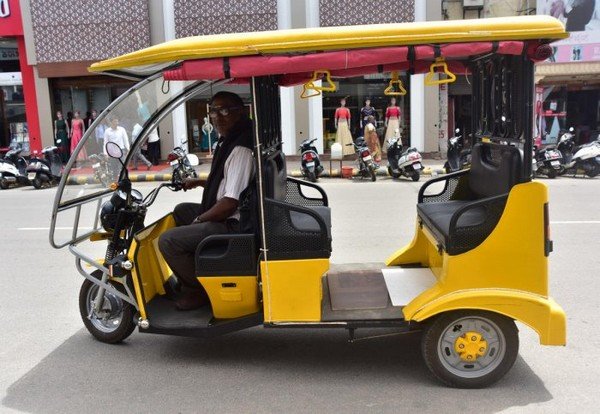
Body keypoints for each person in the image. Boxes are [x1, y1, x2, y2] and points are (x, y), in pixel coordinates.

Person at [158, 91, 254, 311]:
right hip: (233, 213)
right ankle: (193, 264)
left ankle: (198, 290)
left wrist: (200, 219)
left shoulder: (240, 149)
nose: (218, 117)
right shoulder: (231, 140)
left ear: (240, 113)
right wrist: (201, 182)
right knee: (181, 210)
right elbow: (227, 181)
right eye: (213, 111)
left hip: (235, 224)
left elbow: (230, 203)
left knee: (168, 241)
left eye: (225, 110)